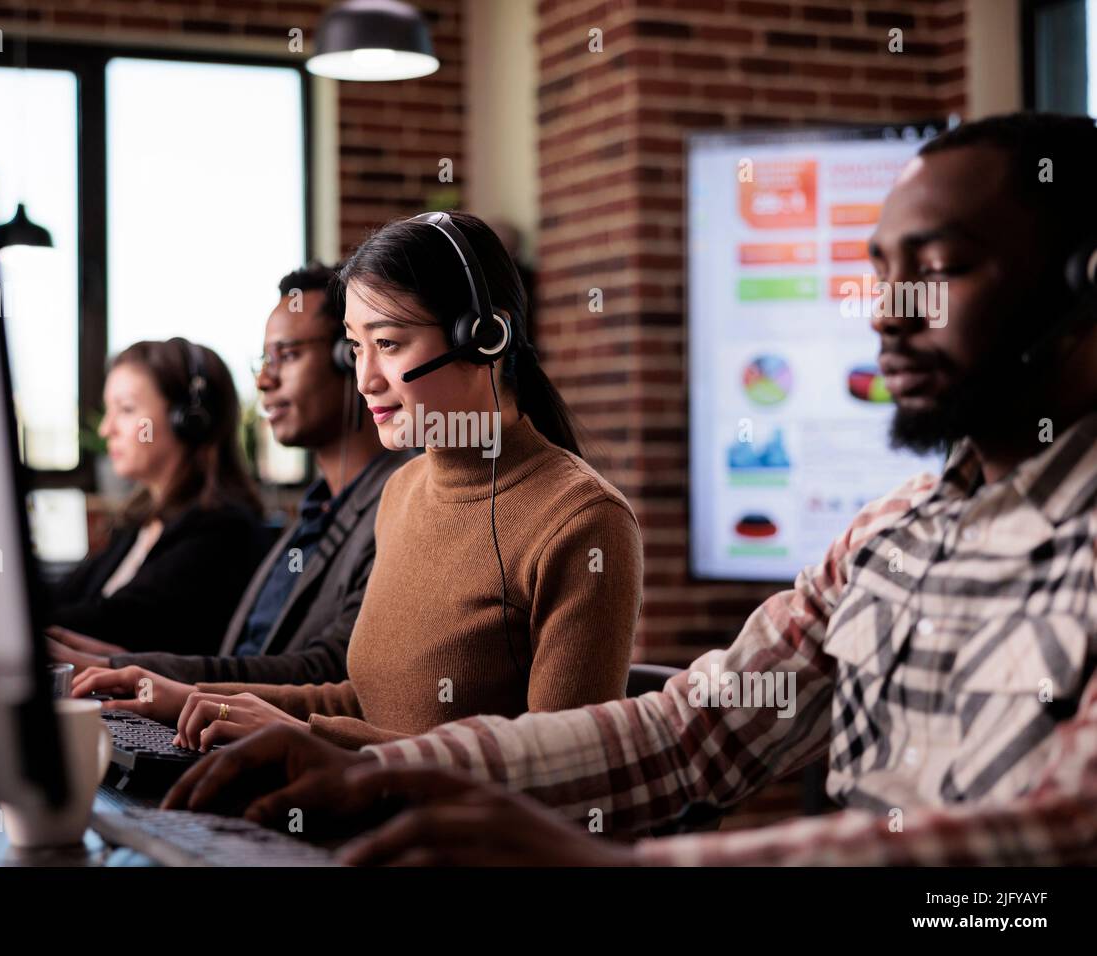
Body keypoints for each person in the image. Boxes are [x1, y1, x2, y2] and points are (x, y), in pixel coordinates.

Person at [160, 114, 1097, 866]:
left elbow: (1051, 840)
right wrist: (385, 775)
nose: (888, 315)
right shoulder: (890, 539)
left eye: (936, 271)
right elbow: (687, 732)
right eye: (880, 274)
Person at [82, 212, 645, 751]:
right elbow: (363, 701)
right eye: (356, 347)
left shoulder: (583, 521)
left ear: (484, 337)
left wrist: (310, 741)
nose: (366, 379)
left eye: (390, 343)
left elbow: (560, 772)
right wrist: (190, 697)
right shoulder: (401, 492)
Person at [57, 264, 414, 698]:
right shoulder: (312, 514)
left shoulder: (399, 505)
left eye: (287, 355)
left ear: (349, 356)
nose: (265, 380)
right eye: (265, 360)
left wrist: (125, 668)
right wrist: (115, 664)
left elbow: (332, 670)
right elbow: (246, 654)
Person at [43, 338, 269, 656]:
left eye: (126, 409)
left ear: (189, 420)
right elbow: (64, 595)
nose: (107, 429)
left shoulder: (223, 531)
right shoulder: (141, 524)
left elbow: (116, 620)